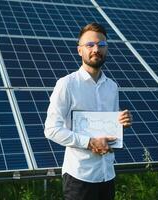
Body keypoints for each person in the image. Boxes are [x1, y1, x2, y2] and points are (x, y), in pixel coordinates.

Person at [44, 22, 132, 200]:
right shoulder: (67, 84)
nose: (96, 49)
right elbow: (51, 130)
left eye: (101, 45)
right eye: (90, 45)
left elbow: (108, 130)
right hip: (80, 176)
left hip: (107, 173)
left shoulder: (112, 87)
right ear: (79, 51)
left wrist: (121, 124)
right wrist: (90, 142)